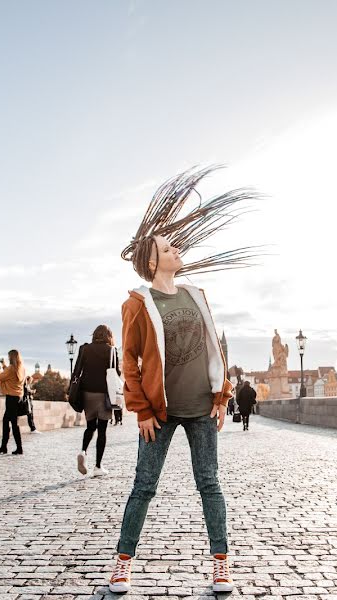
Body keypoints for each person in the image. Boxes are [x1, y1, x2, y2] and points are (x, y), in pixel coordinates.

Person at [109, 167, 261, 594]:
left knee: (209, 483)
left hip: (200, 408)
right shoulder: (138, 303)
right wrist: (139, 409)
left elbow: (216, 349)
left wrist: (221, 396)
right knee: (144, 485)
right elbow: (132, 361)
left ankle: (221, 562)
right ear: (152, 261)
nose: (176, 248)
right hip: (160, 412)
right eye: (166, 247)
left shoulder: (197, 295)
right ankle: (123, 562)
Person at [74, 324, 120, 477]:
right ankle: (98, 467)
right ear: (108, 336)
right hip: (104, 394)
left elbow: (77, 371)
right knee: (102, 430)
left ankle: (83, 451)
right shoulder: (111, 351)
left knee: (90, 427)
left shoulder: (84, 349)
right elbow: (116, 373)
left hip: (87, 394)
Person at [0, 349, 27, 456]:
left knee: (12, 423)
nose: (7, 358)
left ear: (11, 357)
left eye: (8, 357)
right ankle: (5, 447)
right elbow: (10, 373)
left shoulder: (12, 369)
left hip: (11, 398)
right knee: (8, 421)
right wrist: (3, 365)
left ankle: (17, 448)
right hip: (18, 398)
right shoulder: (21, 368)